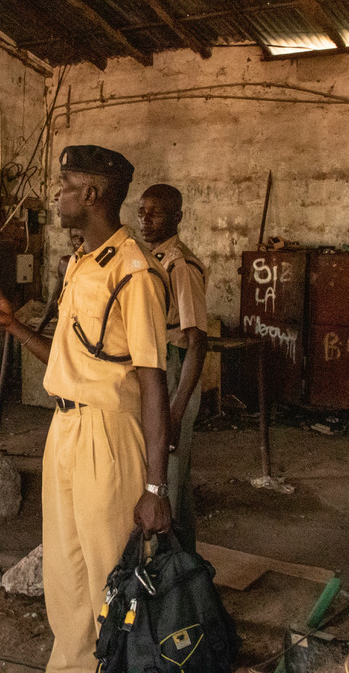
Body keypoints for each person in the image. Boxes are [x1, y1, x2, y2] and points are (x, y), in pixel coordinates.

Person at [0, 145, 172, 673]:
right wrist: (13, 325)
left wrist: (156, 487)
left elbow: (154, 381)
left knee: (114, 576)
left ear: (91, 194)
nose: (57, 195)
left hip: (108, 436)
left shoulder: (135, 271)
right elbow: (69, 356)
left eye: (65, 185)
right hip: (64, 428)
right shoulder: (82, 264)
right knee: (66, 576)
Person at [137, 183, 209, 552]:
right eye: (142, 211)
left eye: (157, 212)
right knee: (174, 482)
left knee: (168, 478)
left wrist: (177, 411)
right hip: (157, 366)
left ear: (177, 217)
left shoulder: (181, 265)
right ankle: (183, 566)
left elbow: (198, 341)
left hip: (177, 369)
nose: (146, 219)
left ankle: (171, 572)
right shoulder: (150, 259)